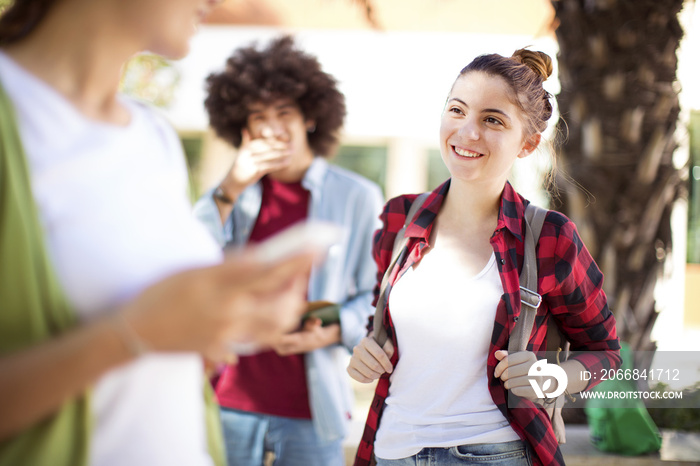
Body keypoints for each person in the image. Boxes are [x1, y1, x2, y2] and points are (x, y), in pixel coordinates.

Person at [0, 1, 319, 465]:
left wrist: (228, 320)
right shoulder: (15, 117)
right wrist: (132, 334)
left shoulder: (153, 137)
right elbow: (148, 326)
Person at [347, 49, 621, 466]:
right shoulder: (399, 219)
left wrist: (555, 378)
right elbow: (383, 324)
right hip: (392, 449)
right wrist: (368, 346)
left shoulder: (548, 236)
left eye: (492, 120)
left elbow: (605, 351)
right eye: (457, 110)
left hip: (495, 452)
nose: (468, 132)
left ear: (527, 144)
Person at [193, 35, 384, 466]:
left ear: (310, 118)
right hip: (229, 401)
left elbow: (377, 296)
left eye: (284, 112)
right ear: (243, 127)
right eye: (258, 116)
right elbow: (189, 261)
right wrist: (232, 184)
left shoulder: (357, 196)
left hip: (312, 409)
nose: (272, 127)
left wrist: (334, 330)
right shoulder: (231, 194)